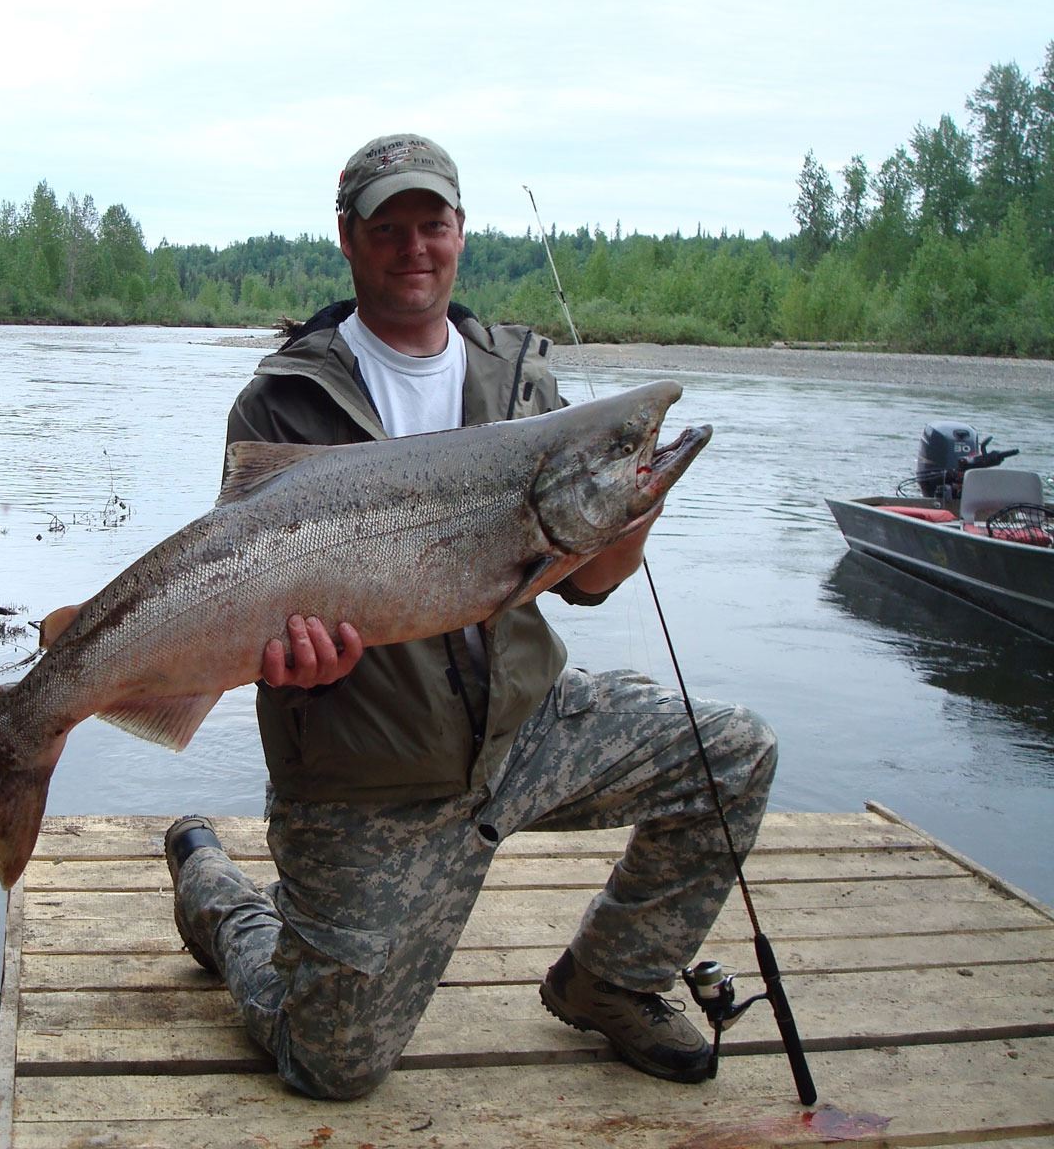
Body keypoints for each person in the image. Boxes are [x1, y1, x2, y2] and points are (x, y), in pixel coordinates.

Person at [162, 133, 778, 1100]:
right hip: (368, 771)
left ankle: (611, 981)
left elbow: (587, 583)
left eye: (433, 224)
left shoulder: (521, 382)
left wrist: (633, 509)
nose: (414, 247)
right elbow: (246, 601)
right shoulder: (283, 399)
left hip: (527, 730)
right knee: (331, 1070)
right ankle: (221, 900)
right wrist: (287, 664)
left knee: (733, 752)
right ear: (348, 238)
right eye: (388, 228)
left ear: (460, 231)